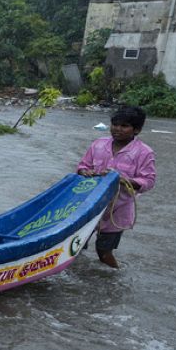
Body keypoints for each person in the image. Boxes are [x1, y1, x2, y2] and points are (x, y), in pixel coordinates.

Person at [75, 105, 156, 268]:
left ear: (136, 130)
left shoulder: (144, 152)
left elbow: (148, 181)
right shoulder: (98, 144)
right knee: (75, 247)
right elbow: (83, 166)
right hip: (89, 206)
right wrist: (85, 172)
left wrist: (122, 179)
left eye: (124, 126)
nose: (117, 129)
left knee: (103, 252)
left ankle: (114, 279)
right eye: (115, 124)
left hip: (118, 210)